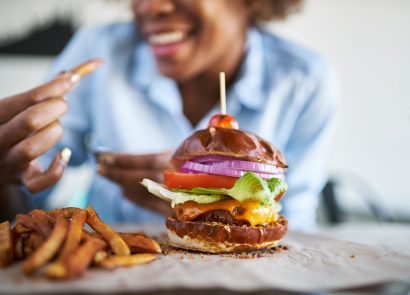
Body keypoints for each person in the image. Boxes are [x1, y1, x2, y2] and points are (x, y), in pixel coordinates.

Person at [0, 0, 338, 230]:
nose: (149, 6)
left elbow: (296, 227)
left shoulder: (302, 80)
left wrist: (212, 203)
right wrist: (4, 172)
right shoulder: (99, 52)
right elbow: (24, 197)